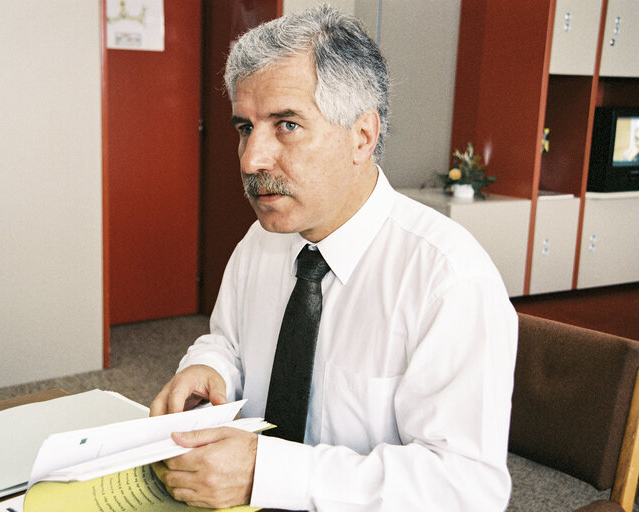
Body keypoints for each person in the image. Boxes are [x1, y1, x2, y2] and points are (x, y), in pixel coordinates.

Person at [149, 5, 517, 511]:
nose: (252, 159)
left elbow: (465, 489)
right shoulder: (262, 242)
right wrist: (208, 367)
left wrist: (269, 472)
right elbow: (228, 341)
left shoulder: (448, 280)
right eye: (243, 127)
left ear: (362, 136)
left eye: (286, 125)